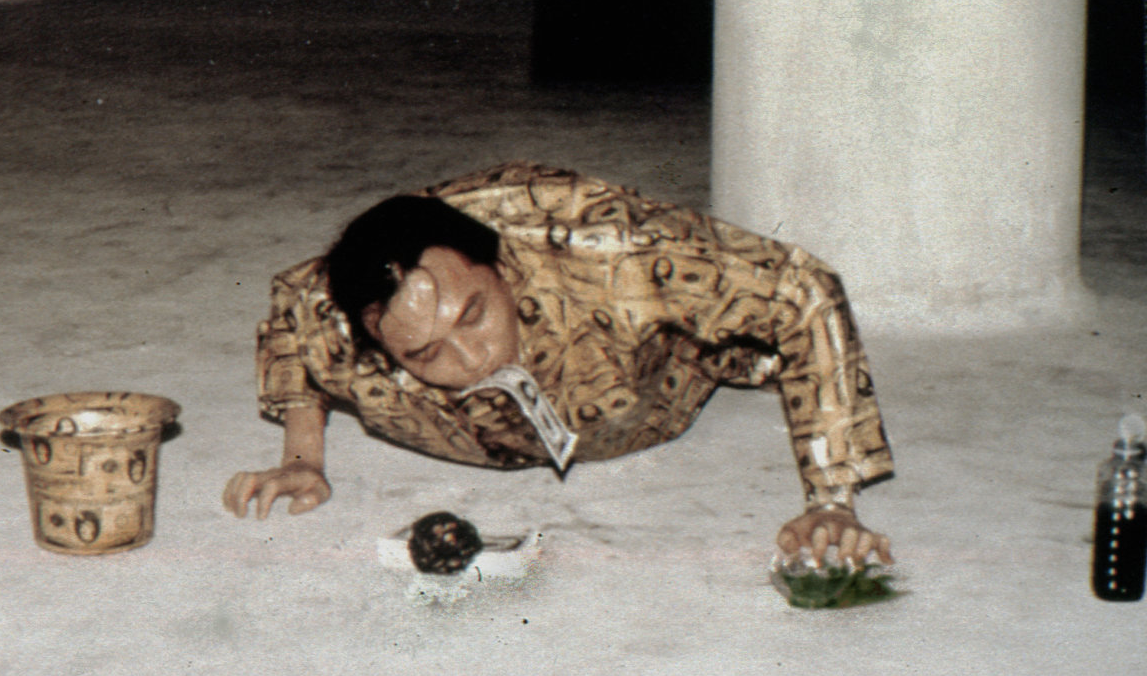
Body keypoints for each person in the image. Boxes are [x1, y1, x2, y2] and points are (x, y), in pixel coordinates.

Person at [222, 161, 894, 567]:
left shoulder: (608, 246)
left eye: (475, 314)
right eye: (425, 352)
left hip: (648, 396)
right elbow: (292, 306)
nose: (471, 358)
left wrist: (833, 500)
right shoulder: (330, 309)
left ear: (498, 265)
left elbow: (801, 289)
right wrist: (301, 457)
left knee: (734, 328)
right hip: (474, 437)